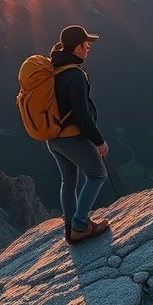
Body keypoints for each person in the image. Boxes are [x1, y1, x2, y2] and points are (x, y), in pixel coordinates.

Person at [47, 24, 111, 244]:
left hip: (53, 137)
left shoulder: (53, 68)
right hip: (71, 137)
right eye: (86, 44)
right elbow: (81, 114)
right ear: (76, 48)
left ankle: (70, 227)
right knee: (97, 175)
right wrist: (99, 141)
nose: (88, 48)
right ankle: (81, 224)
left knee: (68, 180)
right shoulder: (74, 75)